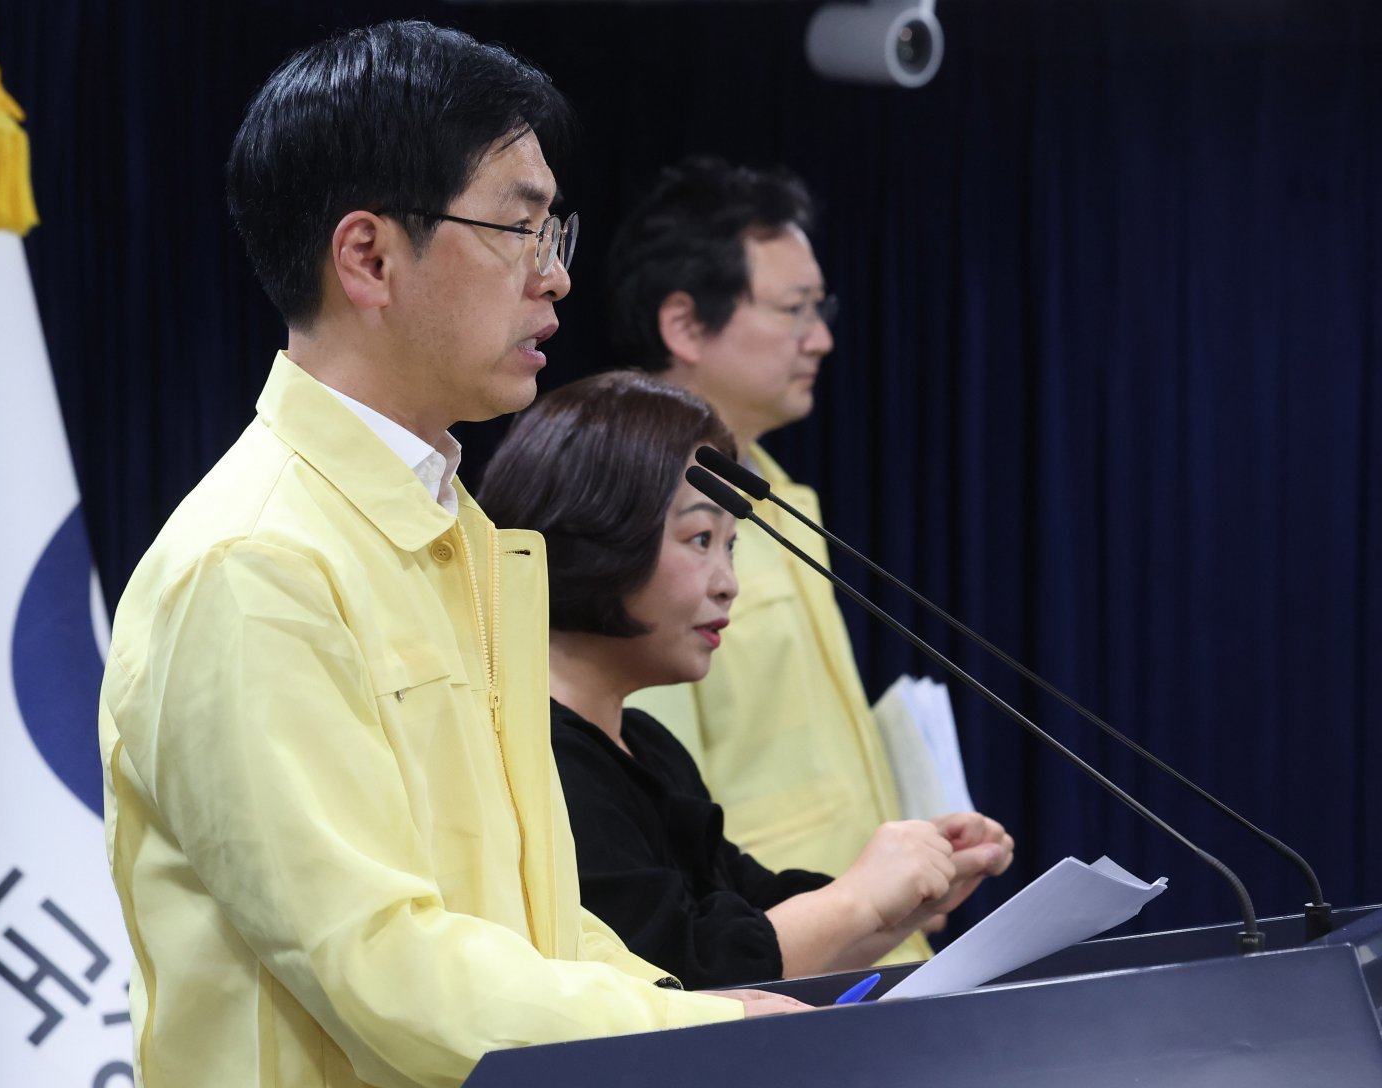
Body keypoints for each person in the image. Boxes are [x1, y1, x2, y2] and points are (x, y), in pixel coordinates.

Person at [98, 26, 801, 1088]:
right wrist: (688, 1029)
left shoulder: (457, 529)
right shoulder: (255, 562)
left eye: (554, 232)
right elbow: (380, 958)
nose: (554, 277)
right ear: (369, 258)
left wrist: (691, 1009)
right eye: (519, 229)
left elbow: (531, 911)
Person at [478, 371, 1012, 989]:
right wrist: (860, 898)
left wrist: (913, 891)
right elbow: (681, 977)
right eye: (700, 539)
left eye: (730, 547)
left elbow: (753, 917)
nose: (728, 583)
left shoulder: (646, 745)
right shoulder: (538, 757)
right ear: (597, 531)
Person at [608, 156, 1000, 963]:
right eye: (794, 310)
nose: (820, 338)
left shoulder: (777, 491)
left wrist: (911, 860)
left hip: (862, 939)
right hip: (762, 963)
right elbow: (651, 798)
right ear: (685, 325)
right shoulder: (631, 511)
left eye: (821, 309)